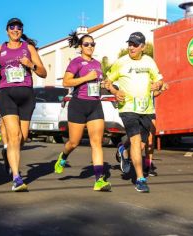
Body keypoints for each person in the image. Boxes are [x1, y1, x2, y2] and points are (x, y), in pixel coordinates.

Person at [0, 18, 47, 192]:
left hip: (26, 96)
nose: (15, 29)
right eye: (12, 27)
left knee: (22, 138)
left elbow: (43, 72)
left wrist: (31, 65)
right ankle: (17, 178)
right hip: (6, 94)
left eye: (18, 27)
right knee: (13, 136)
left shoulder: (29, 48)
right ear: (7, 31)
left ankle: (8, 154)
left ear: (21, 30)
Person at [105, 32, 163, 193]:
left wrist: (157, 84)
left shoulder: (149, 62)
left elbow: (159, 79)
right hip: (128, 108)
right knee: (136, 142)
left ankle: (123, 149)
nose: (131, 47)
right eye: (129, 44)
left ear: (143, 47)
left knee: (142, 145)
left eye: (135, 45)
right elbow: (107, 82)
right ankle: (140, 179)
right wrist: (114, 92)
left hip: (146, 109)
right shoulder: (121, 62)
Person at [54, 31, 111, 192]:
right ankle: (63, 156)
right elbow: (66, 82)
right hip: (78, 105)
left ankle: (99, 180)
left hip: (95, 105)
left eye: (92, 44)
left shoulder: (98, 64)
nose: (90, 47)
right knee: (74, 142)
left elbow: (97, 84)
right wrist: (86, 78)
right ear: (80, 47)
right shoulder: (76, 62)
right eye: (86, 44)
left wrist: (105, 85)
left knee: (96, 142)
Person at [144, 82, 169, 177]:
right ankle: (124, 148)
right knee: (137, 141)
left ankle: (148, 166)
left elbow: (153, 94)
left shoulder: (152, 73)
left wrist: (161, 90)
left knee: (150, 140)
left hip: (150, 111)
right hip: (137, 111)